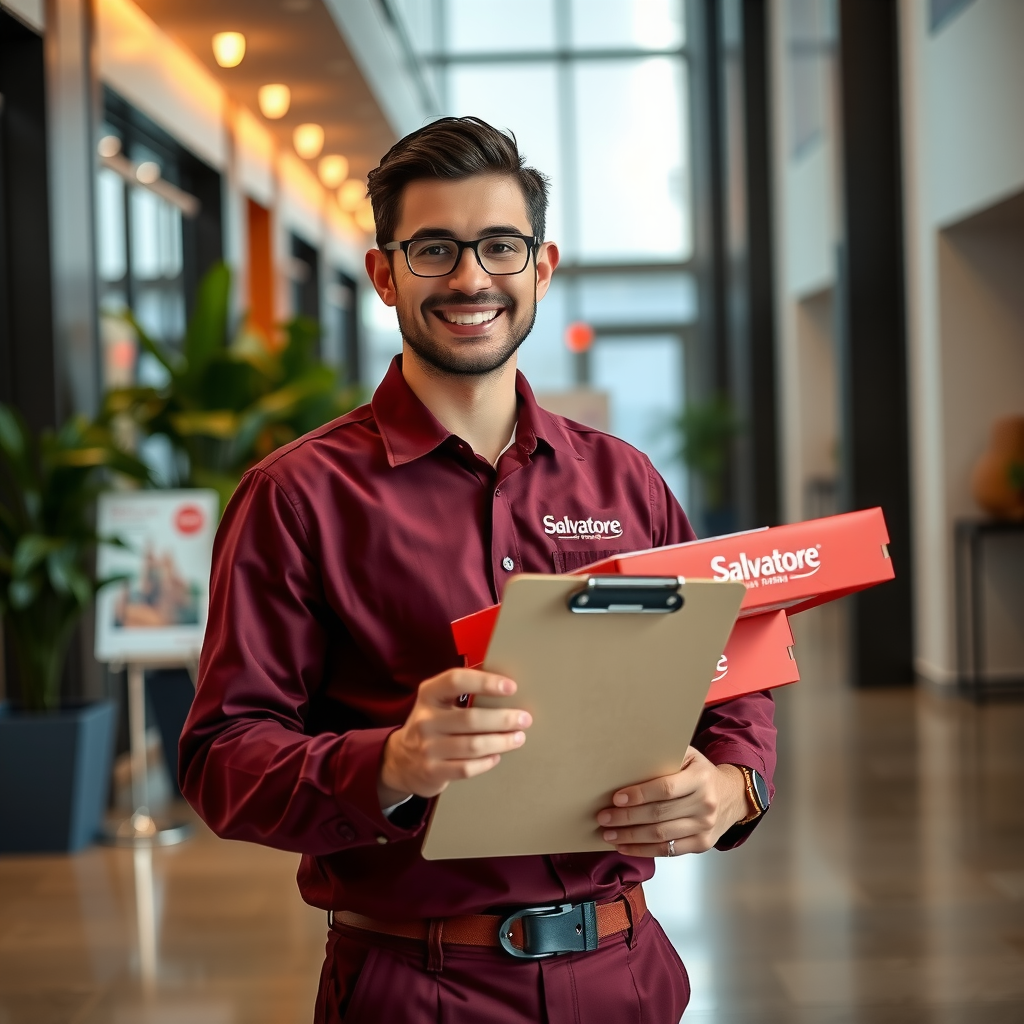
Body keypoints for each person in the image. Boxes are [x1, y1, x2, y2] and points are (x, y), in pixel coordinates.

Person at [180, 116, 776, 1024]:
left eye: (500, 246)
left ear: (542, 266)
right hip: (416, 988)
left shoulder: (626, 479)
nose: (470, 278)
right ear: (384, 272)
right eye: (433, 249)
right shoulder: (296, 498)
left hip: (627, 976)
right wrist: (391, 763)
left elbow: (730, 669)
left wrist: (736, 786)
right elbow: (223, 757)